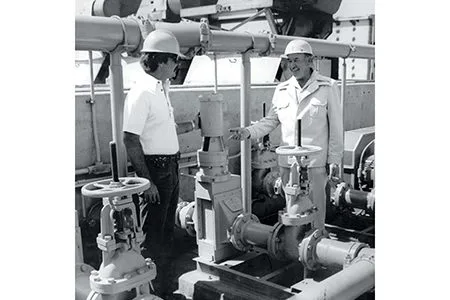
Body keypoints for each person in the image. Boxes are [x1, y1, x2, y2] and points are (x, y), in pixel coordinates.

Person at [229, 39, 343, 230]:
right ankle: (296, 250)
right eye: (289, 61)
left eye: (297, 60)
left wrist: (334, 160)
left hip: (314, 164)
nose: (292, 65)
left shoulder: (327, 87)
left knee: (315, 211)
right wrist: (247, 132)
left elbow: (336, 128)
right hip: (288, 164)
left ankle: (317, 245)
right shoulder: (282, 90)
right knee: (293, 211)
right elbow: (271, 121)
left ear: (310, 61)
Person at [122, 29, 198, 298]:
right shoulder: (142, 92)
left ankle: (164, 287)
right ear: (161, 61)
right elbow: (130, 140)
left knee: (166, 232)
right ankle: (151, 291)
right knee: (154, 235)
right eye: (175, 61)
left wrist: (193, 125)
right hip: (156, 170)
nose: (177, 65)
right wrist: (147, 182)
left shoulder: (160, 88)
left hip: (170, 167)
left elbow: (163, 129)